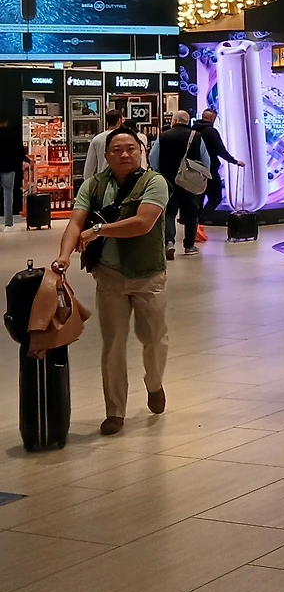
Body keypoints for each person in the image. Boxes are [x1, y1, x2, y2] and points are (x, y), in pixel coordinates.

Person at [54, 126, 169, 436]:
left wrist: (99, 231)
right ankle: (115, 411)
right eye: (117, 150)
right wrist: (63, 256)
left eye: (131, 149)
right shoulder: (93, 185)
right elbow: (75, 223)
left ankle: (154, 383)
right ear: (106, 155)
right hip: (109, 276)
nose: (125, 154)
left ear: (141, 152)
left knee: (154, 339)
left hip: (148, 275)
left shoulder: (154, 182)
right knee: (113, 343)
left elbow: (143, 223)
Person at [149, 110, 210, 259]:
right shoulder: (196, 136)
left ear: (175, 121)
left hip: (168, 180)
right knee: (191, 214)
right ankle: (189, 246)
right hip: (190, 182)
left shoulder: (163, 136)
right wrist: (203, 177)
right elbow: (206, 159)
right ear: (187, 121)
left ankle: (169, 242)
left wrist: (158, 172)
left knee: (169, 212)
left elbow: (152, 156)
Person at [192, 108, 243, 222]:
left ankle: (196, 224)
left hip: (195, 170)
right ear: (212, 119)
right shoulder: (211, 132)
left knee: (199, 198)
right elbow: (220, 150)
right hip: (210, 170)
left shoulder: (193, 130)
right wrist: (234, 161)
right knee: (215, 197)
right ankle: (201, 219)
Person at [0, 115, 31, 229]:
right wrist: (29, 161)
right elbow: (20, 152)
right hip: (9, 168)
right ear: (7, 122)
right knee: (8, 195)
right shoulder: (13, 136)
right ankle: (8, 221)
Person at [83, 109, 128, 182]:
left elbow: (89, 168)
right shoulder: (126, 138)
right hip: (123, 181)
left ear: (107, 122)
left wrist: (88, 184)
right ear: (119, 121)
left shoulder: (97, 139)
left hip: (102, 181)